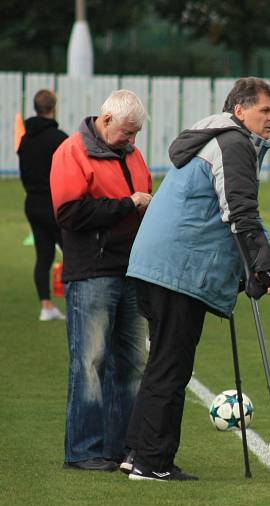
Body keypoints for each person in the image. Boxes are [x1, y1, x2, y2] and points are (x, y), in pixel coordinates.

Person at [123, 77, 270, 481]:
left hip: (158, 263)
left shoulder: (215, 137)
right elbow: (241, 213)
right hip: (177, 268)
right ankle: (151, 462)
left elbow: (231, 214)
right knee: (171, 366)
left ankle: (137, 452)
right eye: (265, 109)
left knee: (163, 361)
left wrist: (253, 268)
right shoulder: (233, 144)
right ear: (240, 110)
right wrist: (265, 271)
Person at [50, 90, 152, 471]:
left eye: (136, 134)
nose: (132, 141)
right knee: (89, 361)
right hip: (91, 271)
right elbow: (70, 212)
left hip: (130, 268)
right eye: (128, 133)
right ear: (106, 120)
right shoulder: (71, 152)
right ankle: (83, 450)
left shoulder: (131, 153)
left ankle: (122, 447)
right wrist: (129, 204)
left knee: (132, 363)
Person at [17, 89, 68, 320]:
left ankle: (46, 307)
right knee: (74, 252)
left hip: (32, 202)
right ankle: (77, 300)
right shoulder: (59, 138)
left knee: (44, 255)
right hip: (54, 204)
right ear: (53, 108)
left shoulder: (25, 140)